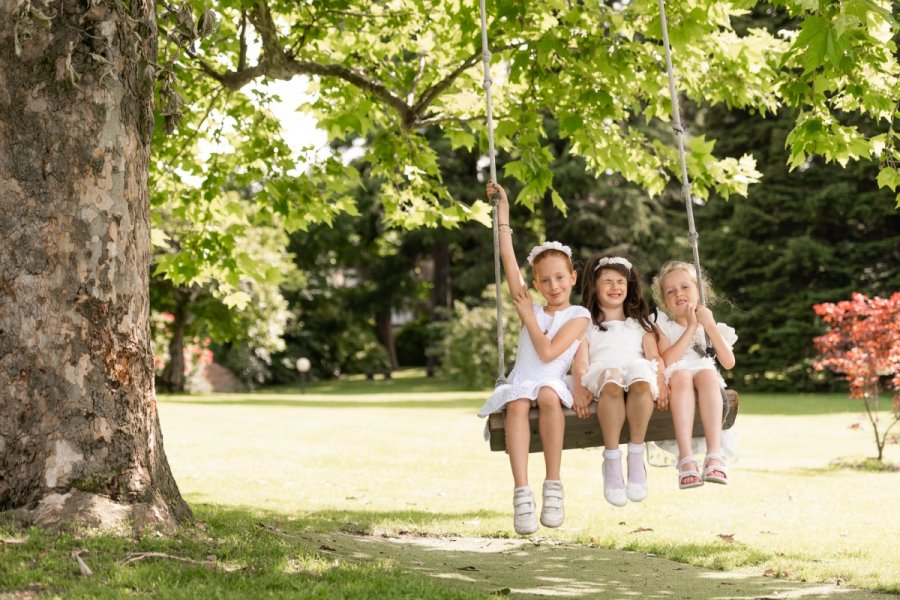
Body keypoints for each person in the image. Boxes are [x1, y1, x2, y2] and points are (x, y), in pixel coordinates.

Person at [478, 181, 590, 536]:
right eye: (545, 280)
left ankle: (553, 486)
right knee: (517, 402)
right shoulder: (530, 302)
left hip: (553, 380)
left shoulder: (579, 315)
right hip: (524, 378)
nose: (553, 285)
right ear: (536, 284)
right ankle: (522, 493)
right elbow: (507, 256)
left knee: (546, 396)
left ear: (572, 277)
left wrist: (528, 316)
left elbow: (548, 352)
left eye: (560, 277)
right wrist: (502, 209)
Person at [571, 254, 667, 507]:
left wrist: (662, 382)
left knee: (641, 380)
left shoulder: (639, 326)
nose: (615, 287)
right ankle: (612, 458)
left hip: (637, 372)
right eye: (608, 282)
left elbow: (655, 357)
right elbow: (580, 362)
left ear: (629, 286)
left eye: (620, 281)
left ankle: (636, 455)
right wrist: (579, 387)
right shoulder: (586, 326)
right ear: (594, 287)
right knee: (612, 381)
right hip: (604, 373)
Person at [651, 260, 737, 489]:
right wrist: (690, 327)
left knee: (709, 375)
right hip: (675, 372)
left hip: (703, 370)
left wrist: (708, 326)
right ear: (665, 302)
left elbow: (728, 363)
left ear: (699, 291)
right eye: (670, 291)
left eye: (685, 287)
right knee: (682, 377)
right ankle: (686, 459)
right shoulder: (662, 326)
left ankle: (714, 455)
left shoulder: (708, 324)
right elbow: (667, 360)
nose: (678, 293)